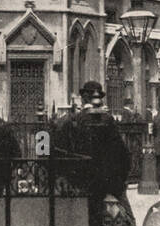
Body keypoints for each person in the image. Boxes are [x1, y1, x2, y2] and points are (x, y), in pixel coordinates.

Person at [54, 81, 132, 209]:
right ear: (100, 99)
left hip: (78, 186)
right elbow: (122, 155)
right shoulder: (108, 121)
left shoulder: (71, 121)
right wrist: (117, 185)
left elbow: (57, 153)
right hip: (105, 187)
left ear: (83, 98)